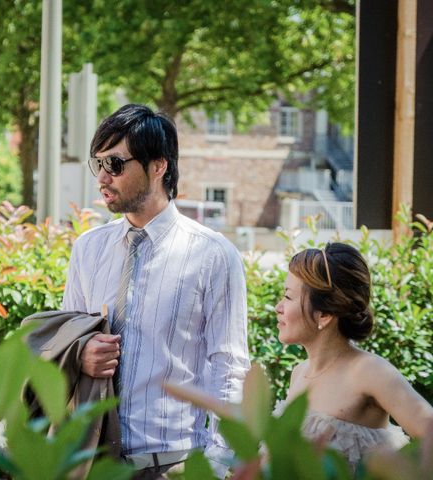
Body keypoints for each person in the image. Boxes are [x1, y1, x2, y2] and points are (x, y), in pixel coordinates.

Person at [62, 104, 250, 479]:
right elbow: (66, 341)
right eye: (97, 164)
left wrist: (215, 465)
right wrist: (81, 354)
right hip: (94, 465)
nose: (102, 177)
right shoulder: (88, 249)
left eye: (115, 164)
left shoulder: (213, 255)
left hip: (172, 466)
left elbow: (228, 369)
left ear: (158, 166)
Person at [275, 242, 433, 470]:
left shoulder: (369, 371)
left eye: (288, 297)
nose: (278, 307)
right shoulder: (299, 373)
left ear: (325, 314)